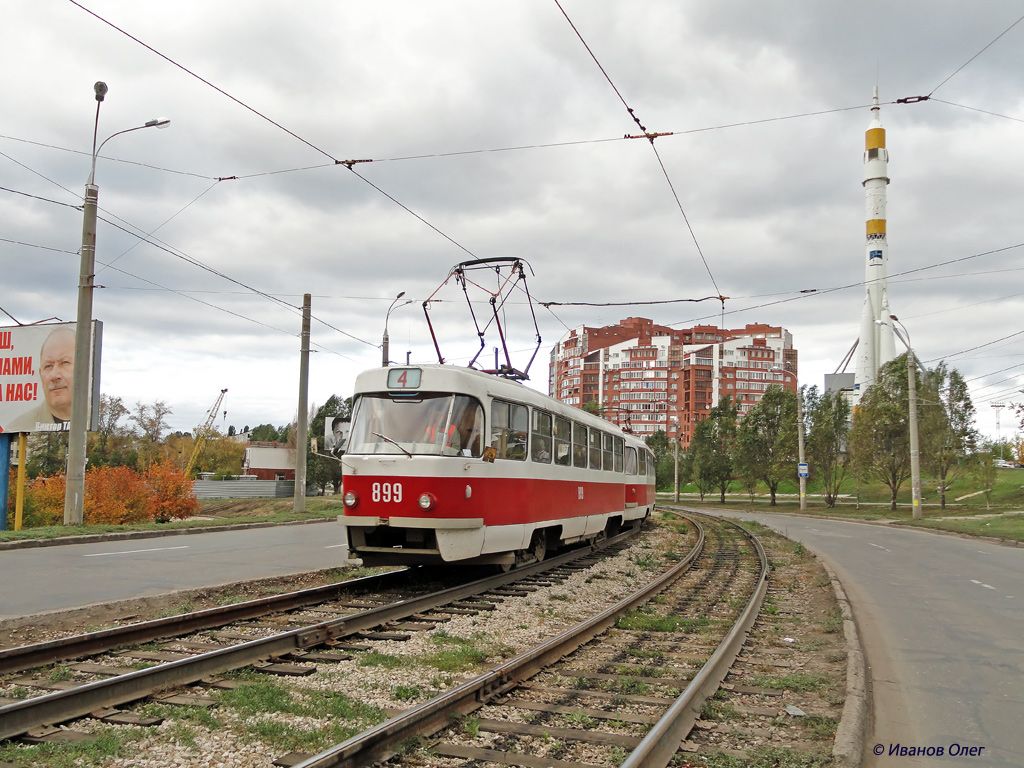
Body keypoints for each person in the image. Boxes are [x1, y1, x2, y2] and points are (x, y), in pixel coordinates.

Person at [4, 326, 75, 432]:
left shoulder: (95, 417)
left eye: (64, 363)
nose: (54, 375)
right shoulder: (17, 427)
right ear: (40, 374)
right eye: (48, 366)